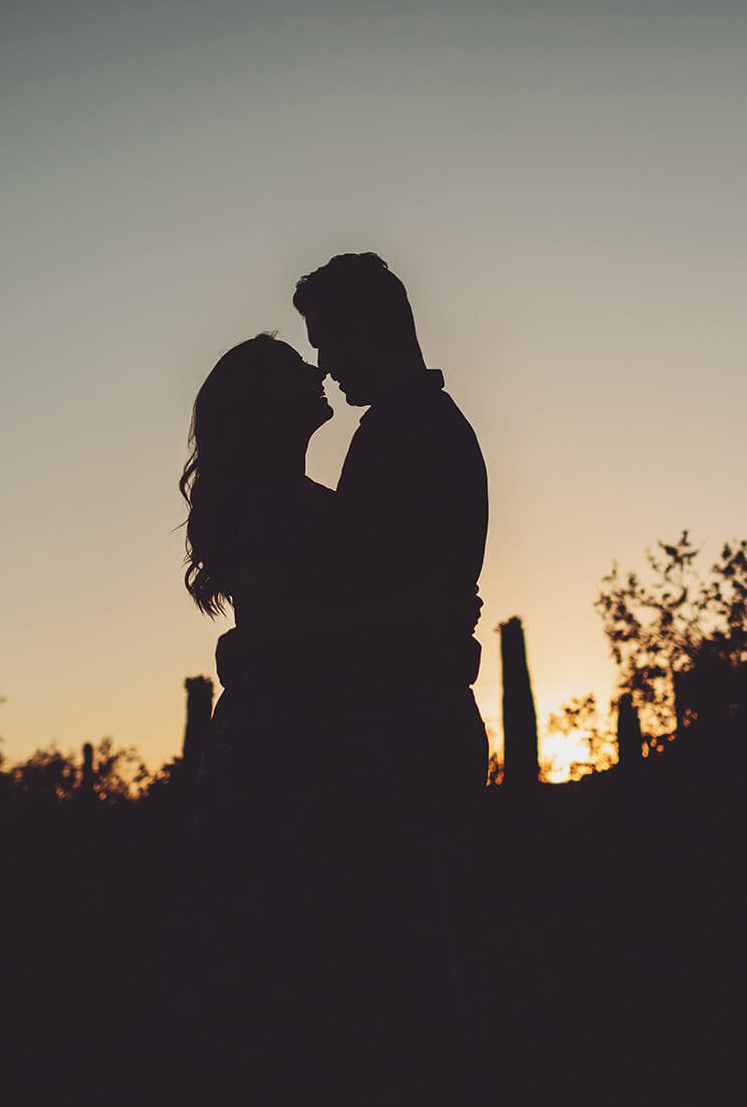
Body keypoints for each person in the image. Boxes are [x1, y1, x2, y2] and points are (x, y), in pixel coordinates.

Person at [179, 327, 482, 1087]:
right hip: (280, 770)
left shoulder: (314, 499)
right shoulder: (263, 502)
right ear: (263, 406)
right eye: (292, 367)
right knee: (303, 987)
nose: (316, 369)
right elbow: (277, 629)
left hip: (321, 761)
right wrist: (417, 615)